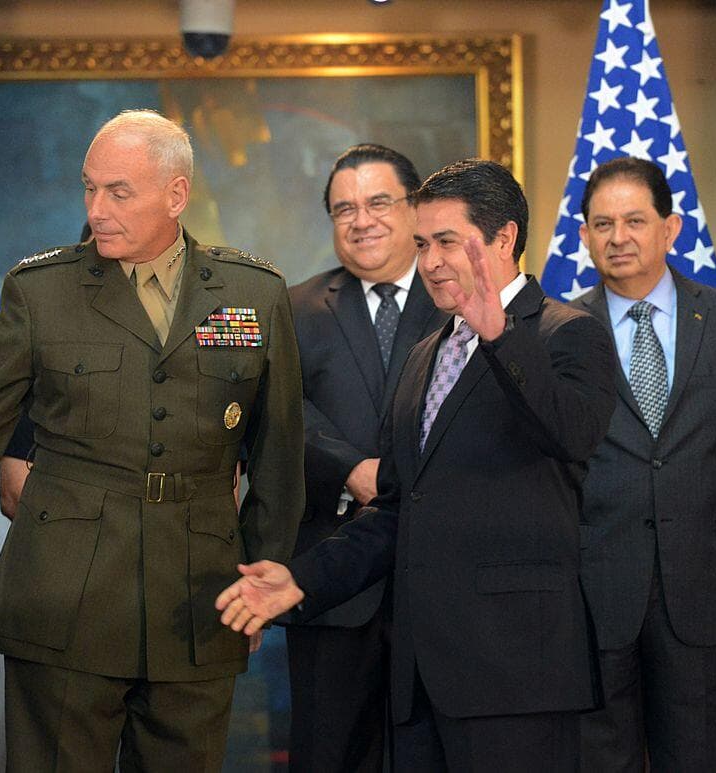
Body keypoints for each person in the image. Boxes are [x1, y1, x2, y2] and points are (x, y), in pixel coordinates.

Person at [0, 109, 305, 771]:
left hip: (199, 599)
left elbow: (278, 453)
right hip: (63, 599)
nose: (96, 209)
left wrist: (263, 576)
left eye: (118, 191)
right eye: (88, 188)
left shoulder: (253, 294)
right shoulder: (41, 292)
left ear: (176, 194)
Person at [217, 158, 617, 771]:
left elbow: (572, 434)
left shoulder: (569, 333)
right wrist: (304, 579)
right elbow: (403, 507)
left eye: (447, 242)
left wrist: (501, 336)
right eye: (423, 243)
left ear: (503, 238)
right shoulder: (428, 353)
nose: (429, 261)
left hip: (516, 675)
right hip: (422, 677)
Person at [569, 156, 716, 771]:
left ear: (671, 228)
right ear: (583, 236)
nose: (618, 238)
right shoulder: (559, 331)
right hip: (593, 597)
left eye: (634, 220)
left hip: (709, 595)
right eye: (602, 224)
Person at [283, 143, 444, 771]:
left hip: (439, 585)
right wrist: (349, 466)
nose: (362, 220)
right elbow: (274, 409)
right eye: (343, 208)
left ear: (414, 209)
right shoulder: (290, 308)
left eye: (379, 202)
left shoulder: (460, 300)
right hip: (330, 579)